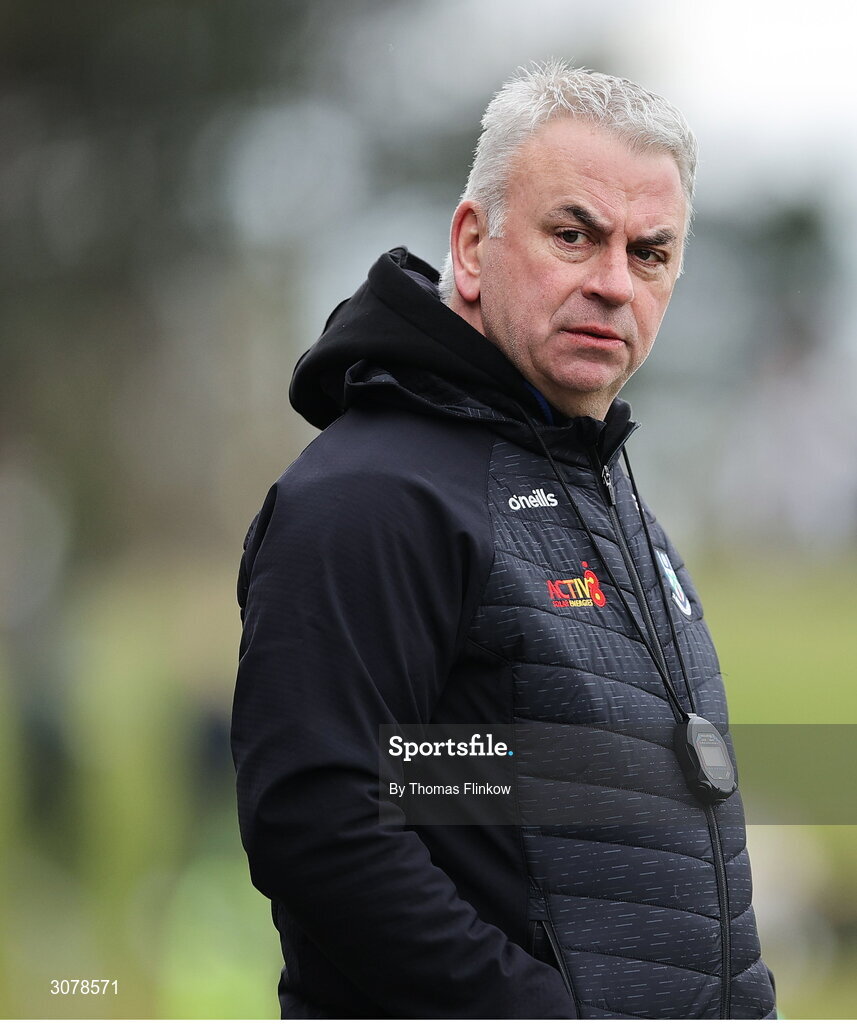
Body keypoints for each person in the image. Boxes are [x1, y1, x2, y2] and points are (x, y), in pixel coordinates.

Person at [231, 60, 777, 1019]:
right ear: (473, 246)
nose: (612, 283)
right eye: (574, 236)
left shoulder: (594, 482)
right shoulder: (370, 495)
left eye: (649, 254)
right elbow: (318, 823)